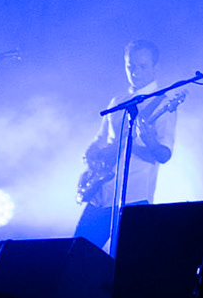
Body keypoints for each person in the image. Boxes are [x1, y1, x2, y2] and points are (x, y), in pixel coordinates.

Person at [75, 40, 179, 249]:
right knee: (76, 255)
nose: (135, 72)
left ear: (155, 67)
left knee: (125, 262)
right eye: (130, 66)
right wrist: (91, 155)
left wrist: (150, 141)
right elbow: (101, 139)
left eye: (142, 66)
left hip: (134, 198)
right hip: (100, 195)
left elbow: (164, 154)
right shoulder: (117, 101)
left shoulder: (162, 103)